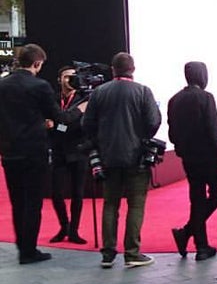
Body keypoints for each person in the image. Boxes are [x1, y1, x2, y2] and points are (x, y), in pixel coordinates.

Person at [82, 52, 161, 269]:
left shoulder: (99, 93)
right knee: (136, 205)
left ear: (112, 69)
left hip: (107, 156)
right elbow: (154, 122)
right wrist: (141, 137)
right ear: (133, 69)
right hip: (136, 157)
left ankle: (108, 254)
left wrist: (100, 139)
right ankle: (132, 252)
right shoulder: (143, 92)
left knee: (110, 204)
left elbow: (87, 123)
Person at [0, 44, 70, 264]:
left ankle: (23, 247)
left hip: (9, 151)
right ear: (37, 63)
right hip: (34, 151)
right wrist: (80, 110)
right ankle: (29, 250)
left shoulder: (2, 85)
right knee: (33, 202)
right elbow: (60, 118)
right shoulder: (40, 86)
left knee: (17, 202)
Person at [167, 61, 217, 261]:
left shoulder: (174, 100)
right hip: (208, 156)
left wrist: (182, 149)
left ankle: (199, 243)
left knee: (197, 197)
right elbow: (213, 129)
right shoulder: (206, 98)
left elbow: (172, 133)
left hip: (188, 158)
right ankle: (190, 235)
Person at [48, 64, 89, 245]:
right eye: (66, 77)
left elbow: (75, 126)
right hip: (58, 152)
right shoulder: (53, 100)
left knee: (77, 194)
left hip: (78, 152)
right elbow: (49, 124)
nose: (69, 80)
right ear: (59, 80)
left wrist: (58, 125)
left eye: (73, 76)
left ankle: (74, 230)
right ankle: (63, 226)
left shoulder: (83, 99)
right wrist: (60, 126)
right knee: (56, 193)